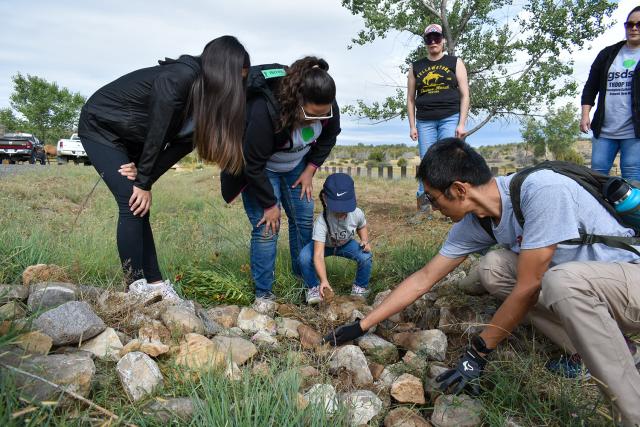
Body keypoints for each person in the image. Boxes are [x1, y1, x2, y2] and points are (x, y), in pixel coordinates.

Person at [324, 138, 640, 426]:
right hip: (584, 287)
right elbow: (425, 278)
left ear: (460, 190)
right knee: (494, 268)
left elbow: (529, 287)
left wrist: (478, 351)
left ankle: (633, 414)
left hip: (628, 279)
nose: (434, 209)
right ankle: (597, 349)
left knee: (557, 281)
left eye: (434, 200)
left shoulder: (542, 191)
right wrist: (362, 325)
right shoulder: (478, 222)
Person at [78, 36, 250, 300]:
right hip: (102, 125)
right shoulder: (178, 79)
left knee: (139, 203)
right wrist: (142, 183)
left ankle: (156, 284)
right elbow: (158, 131)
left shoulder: (206, 101)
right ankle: (136, 286)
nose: (239, 86)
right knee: (131, 201)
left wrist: (145, 179)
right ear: (222, 70)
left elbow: (178, 148)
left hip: (133, 136)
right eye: (238, 78)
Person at [221, 57, 341, 309]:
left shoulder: (325, 101)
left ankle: (307, 284)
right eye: (311, 114)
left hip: (297, 167)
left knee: (304, 222)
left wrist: (310, 169)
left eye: (324, 113)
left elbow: (330, 135)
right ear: (297, 101)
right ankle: (264, 294)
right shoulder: (266, 111)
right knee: (267, 229)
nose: (318, 119)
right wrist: (268, 204)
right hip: (261, 171)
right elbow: (252, 165)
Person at [407, 23, 470, 211]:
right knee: (427, 161)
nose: (433, 42)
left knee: (448, 160)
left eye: (436, 38)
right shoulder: (416, 67)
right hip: (425, 120)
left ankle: (449, 205)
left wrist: (461, 123)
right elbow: (410, 99)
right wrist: (412, 126)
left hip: (450, 117)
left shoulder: (455, 62)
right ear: (425, 42)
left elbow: (465, 94)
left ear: (442, 40)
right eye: (429, 39)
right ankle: (424, 206)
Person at [581, 6, 640, 181]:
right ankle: (597, 209)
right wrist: (585, 115)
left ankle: (633, 210)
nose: (634, 28)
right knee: (596, 178)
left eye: (639, 24)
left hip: (635, 132)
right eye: (630, 24)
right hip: (604, 130)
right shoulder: (607, 54)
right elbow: (591, 87)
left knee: (632, 178)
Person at [298, 173, 372, 304]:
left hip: (346, 245)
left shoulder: (357, 213)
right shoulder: (321, 222)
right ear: (326, 200)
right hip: (324, 246)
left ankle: (360, 288)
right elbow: (318, 255)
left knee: (366, 256)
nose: (342, 213)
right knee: (304, 257)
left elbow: (362, 226)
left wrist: (365, 240)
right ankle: (313, 288)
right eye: (338, 210)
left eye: (345, 209)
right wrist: (324, 280)